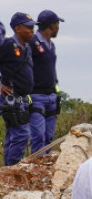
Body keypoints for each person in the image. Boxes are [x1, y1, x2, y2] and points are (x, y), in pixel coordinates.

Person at [0, 13, 37, 166]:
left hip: (21, 97)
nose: (32, 30)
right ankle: (13, 168)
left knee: (14, 134)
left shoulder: (27, 47)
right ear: (17, 28)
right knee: (21, 134)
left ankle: (8, 171)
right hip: (9, 96)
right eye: (28, 27)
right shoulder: (8, 45)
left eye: (33, 26)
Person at [30, 10, 65, 149]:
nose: (58, 28)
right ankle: (35, 167)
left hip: (51, 96)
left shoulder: (51, 46)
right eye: (57, 24)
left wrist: (56, 92)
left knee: (49, 137)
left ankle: (45, 168)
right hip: (36, 95)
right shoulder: (32, 42)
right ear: (51, 25)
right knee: (38, 136)